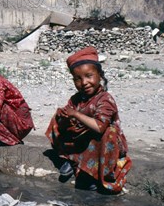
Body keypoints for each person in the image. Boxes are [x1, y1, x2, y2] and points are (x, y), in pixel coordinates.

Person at [46, 47, 132, 193]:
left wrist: (76, 115)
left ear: (99, 75)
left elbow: (99, 126)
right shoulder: (76, 99)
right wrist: (66, 118)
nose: (84, 82)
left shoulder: (105, 99)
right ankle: (71, 159)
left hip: (103, 143)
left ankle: (95, 175)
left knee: (107, 133)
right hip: (83, 140)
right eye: (78, 79)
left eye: (89, 76)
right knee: (59, 117)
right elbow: (68, 119)